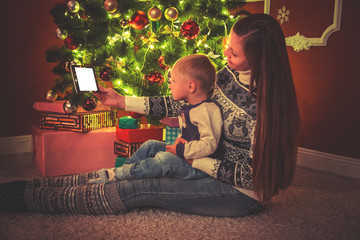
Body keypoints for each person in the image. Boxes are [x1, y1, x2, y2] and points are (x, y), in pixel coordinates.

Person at [0, 13, 299, 217]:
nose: (226, 56)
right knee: (154, 149)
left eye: (233, 53)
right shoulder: (225, 76)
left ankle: (28, 199)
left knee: (146, 187)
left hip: (239, 193)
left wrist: (191, 157)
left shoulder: (267, 109)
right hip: (199, 159)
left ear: (257, 57)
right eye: (227, 47)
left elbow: (251, 175)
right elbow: (181, 104)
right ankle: (92, 180)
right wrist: (121, 101)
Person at [89, 54, 223, 184]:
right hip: (186, 155)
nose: (170, 85)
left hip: (199, 168)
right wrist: (181, 142)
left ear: (190, 86)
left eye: (174, 81)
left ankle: (119, 175)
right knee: (151, 145)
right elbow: (191, 136)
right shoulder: (189, 106)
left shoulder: (207, 110)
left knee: (164, 160)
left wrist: (181, 150)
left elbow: (208, 144)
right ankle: (120, 174)